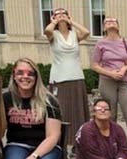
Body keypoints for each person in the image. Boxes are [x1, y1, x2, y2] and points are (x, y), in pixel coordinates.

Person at [2, 58, 63, 159]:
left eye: (30, 73)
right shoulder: (5, 99)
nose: (25, 76)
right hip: (16, 145)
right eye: (20, 72)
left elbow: (53, 136)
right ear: (14, 76)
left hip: (46, 146)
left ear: (36, 77)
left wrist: (35, 156)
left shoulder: (49, 100)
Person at [91, 17, 127, 155]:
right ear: (103, 28)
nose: (110, 23)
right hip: (107, 80)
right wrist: (110, 73)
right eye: (107, 21)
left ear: (118, 26)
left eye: (113, 21)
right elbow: (94, 65)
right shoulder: (100, 44)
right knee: (110, 114)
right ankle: (110, 144)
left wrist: (124, 69)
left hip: (125, 81)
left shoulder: (125, 42)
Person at [44, 7, 90, 147]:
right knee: (61, 110)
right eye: (58, 14)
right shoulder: (53, 34)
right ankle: (60, 142)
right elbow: (47, 31)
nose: (61, 16)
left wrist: (72, 22)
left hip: (76, 77)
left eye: (64, 13)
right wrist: (54, 21)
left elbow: (86, 32)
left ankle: (78, 142)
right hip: (59, 78)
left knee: (77, 112)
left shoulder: (74, 34)